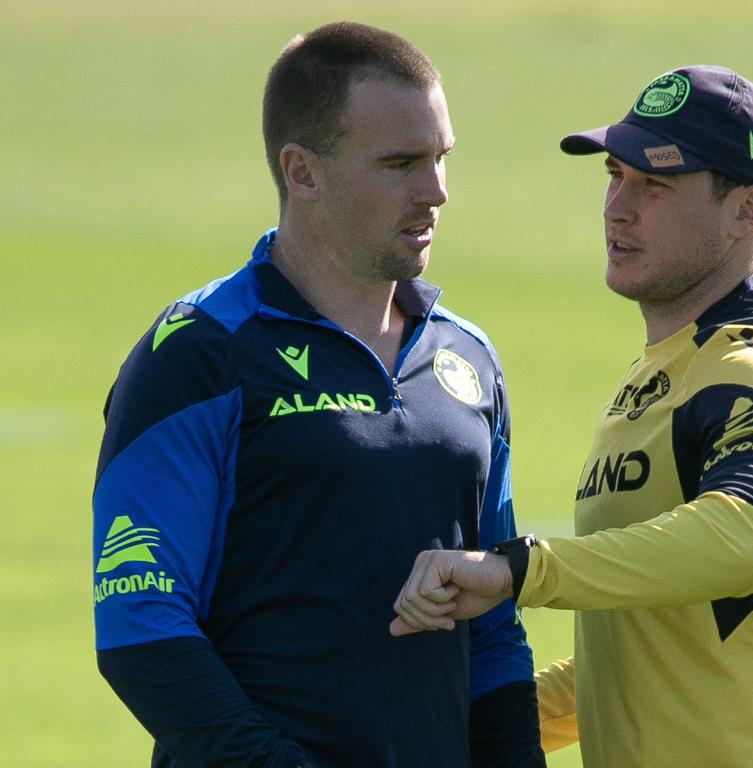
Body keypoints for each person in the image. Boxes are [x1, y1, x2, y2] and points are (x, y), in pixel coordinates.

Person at [92, 21, 545, 768]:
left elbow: (491, 630)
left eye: (440, 158)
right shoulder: (199, 356)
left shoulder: (467, 359)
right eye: (400, 163)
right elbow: (142, 629)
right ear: (302, 171)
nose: (436, 192)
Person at [390, 65, 753, 768]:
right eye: (616, 174)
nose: (618, 206)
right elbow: (644, 663)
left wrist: (520, 571)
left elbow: (749, 538)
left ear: (749, 209)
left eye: (656, 186)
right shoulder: (664, 373)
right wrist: (452, 718)